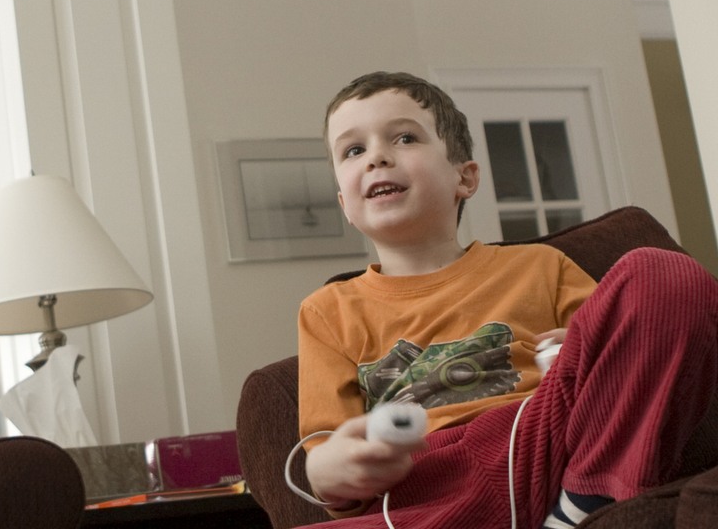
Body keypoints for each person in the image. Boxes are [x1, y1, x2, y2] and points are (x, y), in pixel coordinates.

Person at [296, 71, 718, 528]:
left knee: (661, 270)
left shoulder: (541, 266)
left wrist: (576, 351)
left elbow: (627, 363)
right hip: (422, 483)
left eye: (404, 138)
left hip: (542, 441)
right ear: (344, 204)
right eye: (354, 150)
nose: (377, 157)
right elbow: (327, 451)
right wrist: (326, 473)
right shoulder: (325, 311)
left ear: (465, 176)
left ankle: (585, 501)